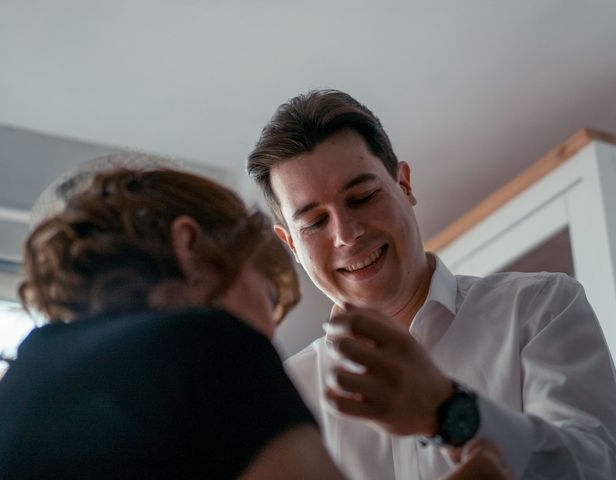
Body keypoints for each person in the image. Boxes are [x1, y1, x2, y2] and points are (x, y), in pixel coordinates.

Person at [247, 89, 616, 479]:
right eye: (314, 223)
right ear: (290, 244)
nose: (346, 234)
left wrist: (451, 412)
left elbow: (599, 466)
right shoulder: (286, 398)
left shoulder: (538, 307)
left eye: (362, 197)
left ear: (404, 185)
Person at [0, 166, 342, 479]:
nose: (270, 329)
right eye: (268, 296)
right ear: (190, 247)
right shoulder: (213, 344)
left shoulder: (31, 365)